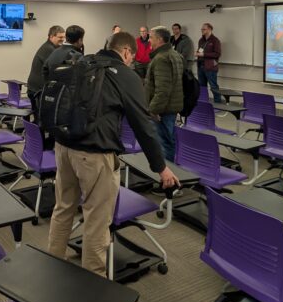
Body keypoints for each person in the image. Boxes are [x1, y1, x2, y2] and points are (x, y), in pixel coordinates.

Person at [47, 31, 179, 277]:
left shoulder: (83, 62)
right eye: (131, 56)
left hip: (63, 147)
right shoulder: (126, 76)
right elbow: (143, 126)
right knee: (97, 222)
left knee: (63, 207)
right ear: (127, 52)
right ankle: (94, 285)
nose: (131, 61)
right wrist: (161, 167)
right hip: (94, 155)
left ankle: (53, 266)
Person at [145, 26, 183, 162]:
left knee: (165, 143)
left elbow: (162, 90)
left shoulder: (161, 58)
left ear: (160, 39)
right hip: (169, 107)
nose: (149, 40)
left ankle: (168, 177)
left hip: (163, 109)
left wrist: (153, 110)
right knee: (167, 140)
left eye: (151, 37)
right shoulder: (174, 54)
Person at [27, 25, 64, 112]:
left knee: (38, 116)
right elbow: (57, 69)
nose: (63, 39)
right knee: (41, 118)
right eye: (60, 37)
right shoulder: (49, 49)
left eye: (64, 37)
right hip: (37, 90)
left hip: (34, 88)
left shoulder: (48, 47)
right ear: (51, 36)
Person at [196, 23, 222, 103]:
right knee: (202, 87)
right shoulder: (201, 40)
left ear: (210, 29)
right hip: (200, 66)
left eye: (204, 29)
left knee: (213, 86)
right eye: (201, 29)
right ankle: (203, 103)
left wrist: (204, 54)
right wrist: (197, 53)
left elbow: (217, 54)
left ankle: (218, 104)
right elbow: (200, 50)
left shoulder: (215, 40)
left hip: (210, 67)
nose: (202, 30)